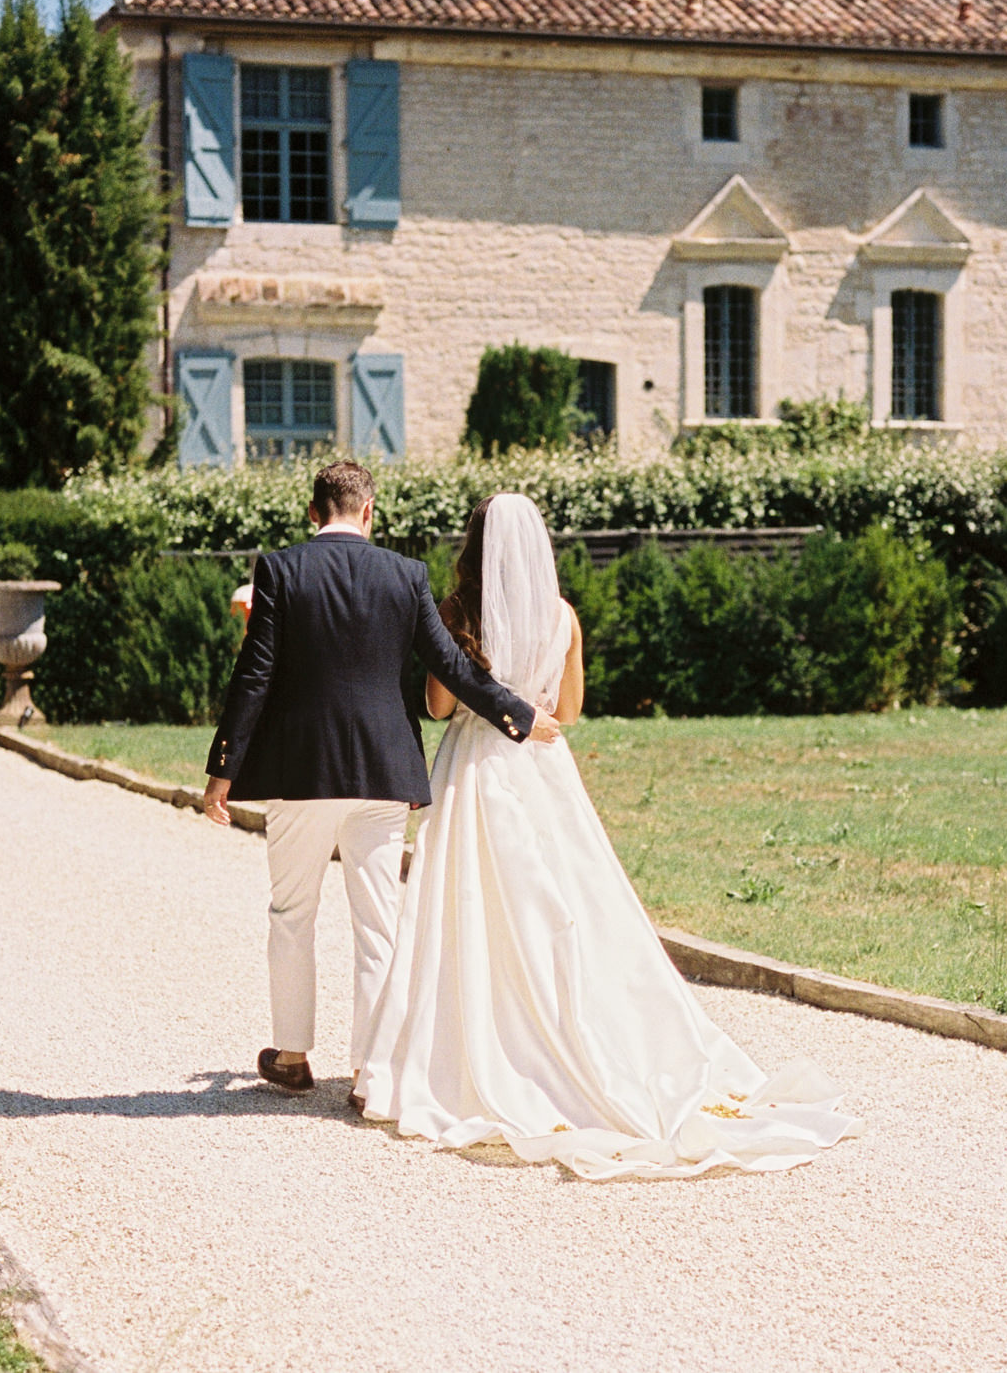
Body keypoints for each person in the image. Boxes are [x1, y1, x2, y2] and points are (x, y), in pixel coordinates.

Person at [356, 492, 861, 1180]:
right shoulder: (563, 618)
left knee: (470, 907)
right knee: (565, 906)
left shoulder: (456, 616)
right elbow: (569, 709)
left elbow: (439, 704)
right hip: (542, 770)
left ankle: (474, 1046)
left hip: (475, 768)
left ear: (474, 547)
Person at [203, 461, 560, 1099]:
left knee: (291, 914)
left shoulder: (280, 569)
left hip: (298, 771)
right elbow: (452, 666)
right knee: (379, 924)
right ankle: (372, 1072)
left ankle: (290, 1057)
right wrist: (519, 714)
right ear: (370, 512)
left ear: (314, 512)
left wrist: (221, 771)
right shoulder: (406, 574)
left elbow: (252, 676)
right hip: (381, 770)